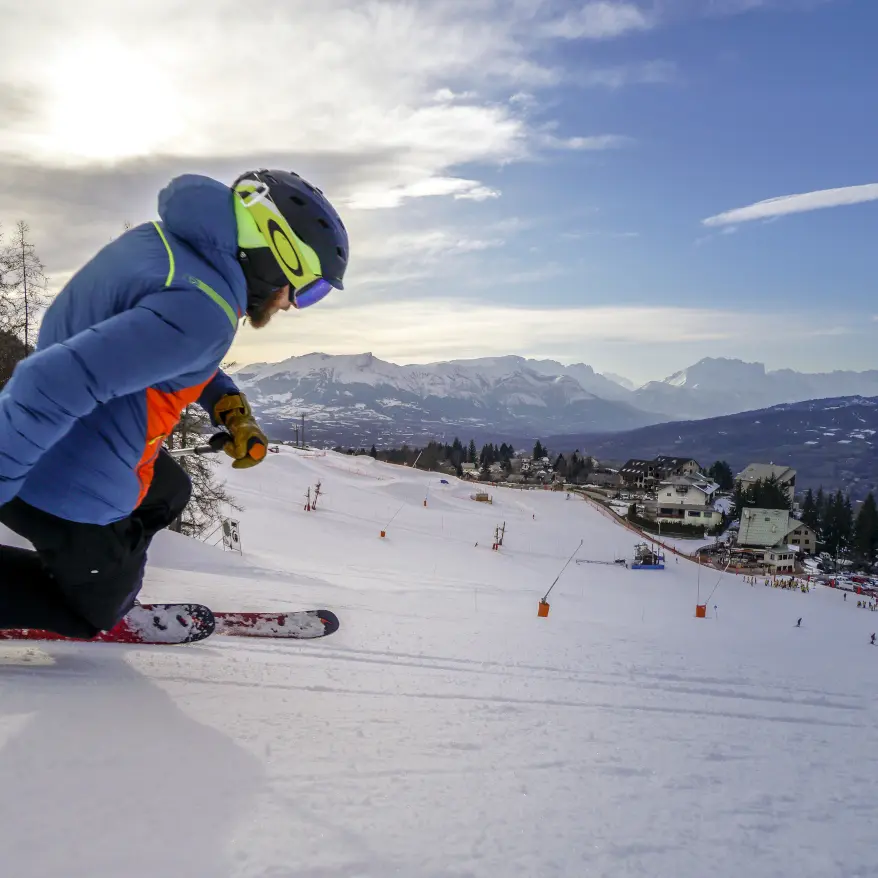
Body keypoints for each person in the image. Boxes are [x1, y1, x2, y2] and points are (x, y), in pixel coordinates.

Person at [0, 169, 348, 638]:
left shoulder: (165, 248)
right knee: (92, 615)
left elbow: (152, 343)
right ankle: (96, 591)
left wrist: (228, 405)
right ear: (276, 253)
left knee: (171, 489)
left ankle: (99, 573)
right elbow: (49, 383)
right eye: (307, 288)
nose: (292, 304)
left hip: (73, 445)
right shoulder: (206, 311)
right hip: (65, 488)